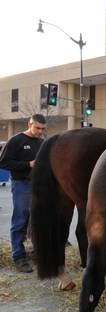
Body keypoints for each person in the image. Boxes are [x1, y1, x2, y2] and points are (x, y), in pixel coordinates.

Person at [0, 114, 47, 273]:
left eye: (42, 129)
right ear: (30, 124)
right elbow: (3, 162)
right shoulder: (16, 140)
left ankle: (36, 254)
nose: (40, 131)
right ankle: (19, 258)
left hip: (39, 186)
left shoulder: (42, 142)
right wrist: (28, 164)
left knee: (38, 221)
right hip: (21, 185)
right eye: (37, 128)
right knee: (20, 221)